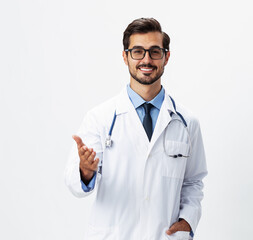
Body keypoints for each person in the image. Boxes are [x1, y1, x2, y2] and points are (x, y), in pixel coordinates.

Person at [64, 18, 207, 240]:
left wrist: (188, 220)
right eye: (138, 51)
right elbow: (74, 185)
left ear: (166, 57)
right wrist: (86, 172)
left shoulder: (187, 122)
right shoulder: (100, 118)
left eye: (155, 52)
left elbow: (193, 181)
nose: (146, 60)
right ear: (125, 56)